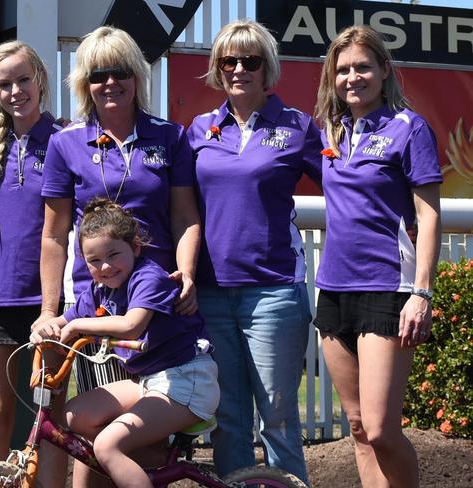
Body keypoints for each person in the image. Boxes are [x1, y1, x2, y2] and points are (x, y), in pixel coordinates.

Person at [187, 19, 322, 483]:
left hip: (274, 295)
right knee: (227, 423)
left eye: (251, 60)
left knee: (279, 421)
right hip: (210, 294)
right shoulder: (198, 129)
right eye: (229, 60)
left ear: (269, 69)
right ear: (217, 68)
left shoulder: (298, 126)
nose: (239, 68)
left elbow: (347, 186)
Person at [313, 25, 442, 487]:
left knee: (383, 428)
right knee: (358, 428)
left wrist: (421, 293)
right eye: (343, 69)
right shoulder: (328, 131)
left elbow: (429, 217)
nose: (353, 77)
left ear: (384, 70)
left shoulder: (410, 128)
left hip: (389, 289)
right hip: (333, 290)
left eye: (363, 67)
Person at [30, 197, 219, 488]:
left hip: (186, 381)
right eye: (94, 261)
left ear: (135, 247)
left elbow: (132, 326)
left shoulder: (148, 278)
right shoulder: (99, 291)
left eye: (113, 254)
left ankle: (128, 457)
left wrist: (79, 326)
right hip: (152, 381)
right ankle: (145, 462)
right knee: (74, 415)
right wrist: (45, 328)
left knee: (106, 446)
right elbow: (63, 320)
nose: (105, 266)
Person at [0, 40, 63, 466]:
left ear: (40, 80)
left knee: (49, 419)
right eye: (4, 84)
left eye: (23, 80)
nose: (15, 92)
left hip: (48, 304)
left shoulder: (67, 141)